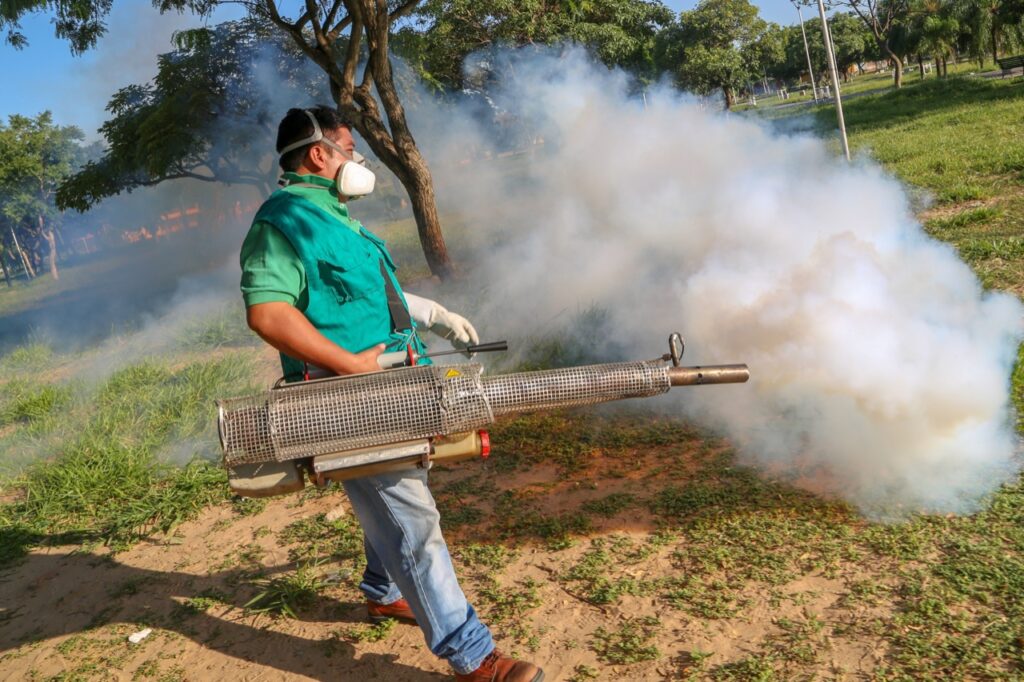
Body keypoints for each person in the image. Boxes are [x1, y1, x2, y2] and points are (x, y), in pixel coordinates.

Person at [239, 106, 544, 682]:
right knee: (411, 519)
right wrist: (352, 367)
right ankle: (473, 655)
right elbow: (269, 312)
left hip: (391, 387)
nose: (357, 160)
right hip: (350, 402)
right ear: (318, 155)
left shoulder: (330, 216)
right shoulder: (283, 224)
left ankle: (382, 590)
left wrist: (430, 313)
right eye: (349, 149)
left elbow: (365, 293)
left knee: (402, 493)